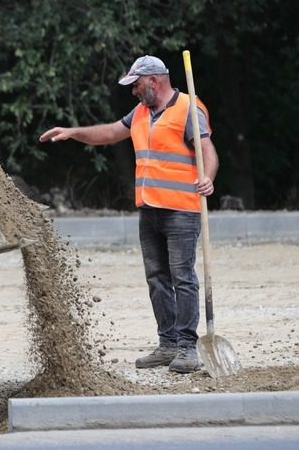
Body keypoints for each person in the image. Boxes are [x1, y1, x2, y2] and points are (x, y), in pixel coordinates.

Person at [39, 55, 219, 373]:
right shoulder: (140, 112)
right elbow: (109, 133)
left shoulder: (188, 109)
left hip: (181, 210)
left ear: (154, 81)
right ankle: (167, 345)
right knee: (157, 279)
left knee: (183, 279)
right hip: (149, 209)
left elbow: (207, 150)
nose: (134, 91)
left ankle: (188, 348)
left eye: (136, 85)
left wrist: (208, 178)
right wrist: (73, 132)